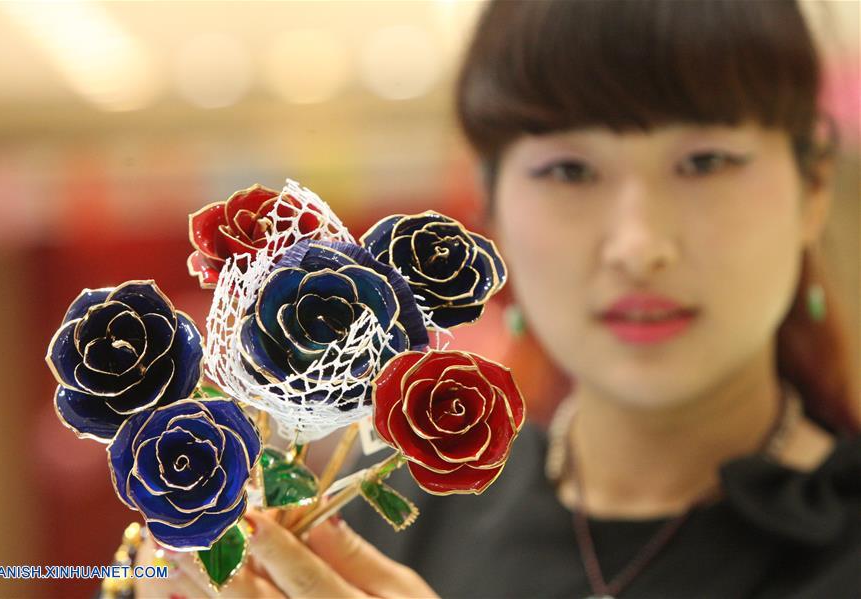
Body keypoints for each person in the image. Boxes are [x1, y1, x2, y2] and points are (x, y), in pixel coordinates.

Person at [131, 1, 861, 597]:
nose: (637, 244)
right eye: (569, 169)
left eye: (704, 161)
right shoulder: (362, 527)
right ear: (491, 209)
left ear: (813, 187)